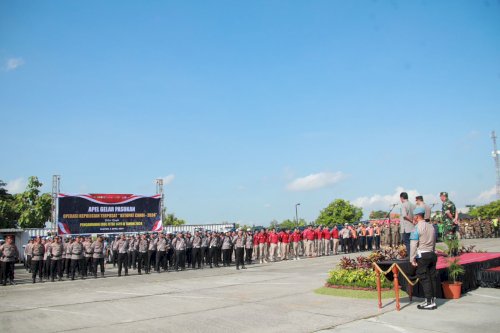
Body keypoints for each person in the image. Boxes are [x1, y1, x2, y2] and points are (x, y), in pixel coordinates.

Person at [410, 206, 437, 310]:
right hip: (432, 254)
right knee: (432, 278)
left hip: (423, 255)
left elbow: (413, 244)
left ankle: (429, 302)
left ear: (416, 217)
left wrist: (412, 258)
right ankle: (432, 299)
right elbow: (434, 241)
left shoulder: (416, 228)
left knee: (424, 278)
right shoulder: (431, 226)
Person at [400, 192, 415, 258]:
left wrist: (411, 220)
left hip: (406, 228)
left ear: (401, 198)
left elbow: (404, 216)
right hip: (412, 227)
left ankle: (410, 257)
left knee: (407, 242)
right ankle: (414, 255)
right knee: (413, 243)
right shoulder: (413, 205)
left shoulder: (404, 205)